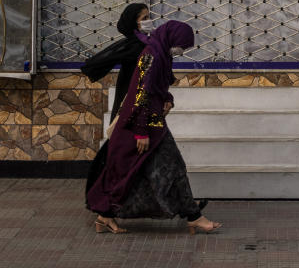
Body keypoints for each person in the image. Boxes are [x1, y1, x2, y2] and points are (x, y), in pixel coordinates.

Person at [86, 20, 222, 235]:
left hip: (153, 123)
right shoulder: (152, 55)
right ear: (172, 38)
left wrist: (167, 98)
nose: (181, 50)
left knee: (138, 171)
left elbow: (156, 87)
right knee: (167, 168)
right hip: (143, 126)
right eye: (181, 45)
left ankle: (105, 217)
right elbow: (142, 93)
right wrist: (141, 131)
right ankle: (194, 217)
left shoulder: (160, 53)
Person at [81, 3, 150, 121]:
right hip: (132, 96)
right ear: (134, 22)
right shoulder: (134, 46)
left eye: (148, 17)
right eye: (144, 18)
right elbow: (107, 58)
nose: (149, 21)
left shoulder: (142, 42)